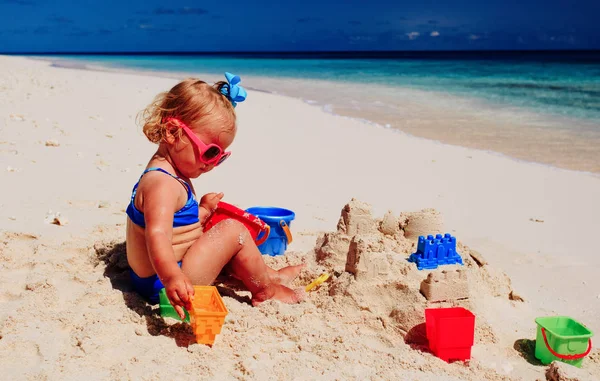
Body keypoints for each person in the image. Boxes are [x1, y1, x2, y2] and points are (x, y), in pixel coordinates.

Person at [125, 73, 304, 319]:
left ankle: (269, 273)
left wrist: (203, 211)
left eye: (220, 157)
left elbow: (178, 228)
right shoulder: (162, 185)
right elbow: (158, 235)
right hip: (165, 281)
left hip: (161, 274)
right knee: (233, 231)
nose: (212, 164)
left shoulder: (169, 171)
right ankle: (266, 290)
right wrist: (172, 277)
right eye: (210, 152)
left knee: (217, 233)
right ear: (172, 132)